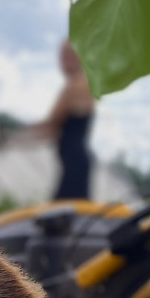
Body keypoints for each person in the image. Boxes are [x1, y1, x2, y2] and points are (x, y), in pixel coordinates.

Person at [34, 39, 96, 200]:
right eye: (62, 55)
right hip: (74, 161)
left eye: (69, 55)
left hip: (74, 162)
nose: (64, 61)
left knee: (62, 213)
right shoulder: (83, 83)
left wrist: (13, 135)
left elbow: (50, 125)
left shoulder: (75, 86)